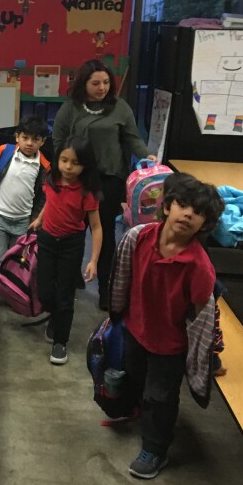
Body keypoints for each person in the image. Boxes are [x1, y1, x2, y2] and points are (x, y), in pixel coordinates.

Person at [110, 173, 224, 479]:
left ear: (205, 224)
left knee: (160, 397)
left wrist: (208, 354)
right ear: (167, 206)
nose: (188, 214)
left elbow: (204, 314)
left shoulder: (198, 265)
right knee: (136, 377)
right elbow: (123, 277)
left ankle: (155, 449)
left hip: (170, 345)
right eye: (182, 205)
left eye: (198, 212)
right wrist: (118, 314)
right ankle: (139, 411)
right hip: (136, 329)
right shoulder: (139, 238)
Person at [51, 59, 154, 310]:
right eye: (95, 83)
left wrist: (147, 156)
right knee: (73, 230)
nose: (102, 88)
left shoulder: (120, 108)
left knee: (105, 234)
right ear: (84, 83)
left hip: (109, 179)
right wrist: (60, 173)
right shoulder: (70, 109)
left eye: (106, 82)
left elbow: (132, 138)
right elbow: (58, 141)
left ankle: (106, 288)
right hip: (77, 179)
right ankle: (71, 275)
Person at [29, 136, 102, 365]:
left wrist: (93, 260)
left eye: (75, 163)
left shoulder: (87, 191)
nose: (68, 167)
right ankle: (55, 318)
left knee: (64, 297)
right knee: (45, 293)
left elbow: (97, 227)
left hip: (71, 245)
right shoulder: (51, 179)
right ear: (58, 159)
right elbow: (50, 202)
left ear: (85, 165)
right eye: (64, 160)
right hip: (47, 240)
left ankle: (61, 342)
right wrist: (39, 219)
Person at [0, 115, 50, 314]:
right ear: (17, 137)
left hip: (22, 221)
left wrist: (36, 217)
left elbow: (43, 196)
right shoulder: (4, 152)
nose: (29, 143)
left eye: (35, 139)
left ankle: (10, 292)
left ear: (43, 141)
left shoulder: (44, 166)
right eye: (25, 138)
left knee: (14, 261)